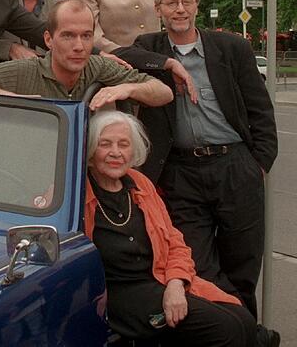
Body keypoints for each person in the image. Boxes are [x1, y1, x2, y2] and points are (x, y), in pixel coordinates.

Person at [114, 0, 278, 327]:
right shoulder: (151, 46)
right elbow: (118, 54)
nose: (180, 9)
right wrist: (169, 64)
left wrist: (258, 164)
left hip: (234, 166)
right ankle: (224, 327)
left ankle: (246, 332)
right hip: (181, 173)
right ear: (159, 9)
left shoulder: (231, 48)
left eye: (186, 1)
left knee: (243, 262)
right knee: (197, 264)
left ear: (197, 6)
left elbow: (260, 111)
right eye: (171, 3)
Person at [85, 111, 258, 346]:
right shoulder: (77, 191)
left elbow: (175, 241)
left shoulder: (140, 184)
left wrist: (176, 283)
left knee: (243, 321)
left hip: (160, 280)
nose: (115, 152)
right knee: (225, 329)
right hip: (119, 293)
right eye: (105, 144)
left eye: (123, 144)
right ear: (91, 151)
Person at [0, 0, 173, 110]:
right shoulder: (24, 71)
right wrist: (7, 97)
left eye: (86, 36)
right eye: (68, 36)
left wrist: (127, 89)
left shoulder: (97, 66)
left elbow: (164, 93)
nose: (79, 46)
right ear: (48, 40)